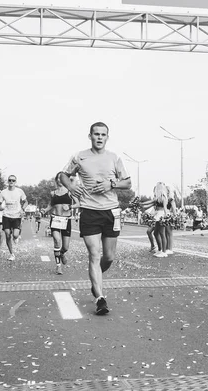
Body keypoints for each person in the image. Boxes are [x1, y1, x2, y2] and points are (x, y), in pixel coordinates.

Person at [59, 122, 131, 315]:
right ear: (90, 136)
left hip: (111, 211)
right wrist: (71, 187)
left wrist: (111, 184)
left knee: (109, 257)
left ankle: (95, 278)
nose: (99, 137)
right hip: (89, 211)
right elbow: (63, 175)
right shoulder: (79, 156)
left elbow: (128, 182)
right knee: (94, 254)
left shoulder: (114, 158)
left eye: (103, 134)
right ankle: (100, 298)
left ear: (107, 137)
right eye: (96, 134)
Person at [43, 173, 79, 275]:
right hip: (55, 219)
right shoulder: (53, 193)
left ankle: (62, 254)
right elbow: (50, 205)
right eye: (57, 178)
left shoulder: (69, 191)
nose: (59, 180)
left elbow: (78, 204)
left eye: (61, 178)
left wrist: (70, 207)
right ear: (56, 180)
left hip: (66, 220)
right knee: (57, 241)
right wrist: (44, 211)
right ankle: (58, 266)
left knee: (65, 247)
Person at [0, 175, 28, 261]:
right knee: (7, 234)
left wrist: (23, 209)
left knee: (15, 235)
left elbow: (26, 202)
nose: (11, 182)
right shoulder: (3, 192)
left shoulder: (19, 191)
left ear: (15, 182)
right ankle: (12, 254)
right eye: (10, 180)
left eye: (13, 180)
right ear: (8, 181)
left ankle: (16, 237)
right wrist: (0, 207)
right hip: (6, 215)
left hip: (17, 216)